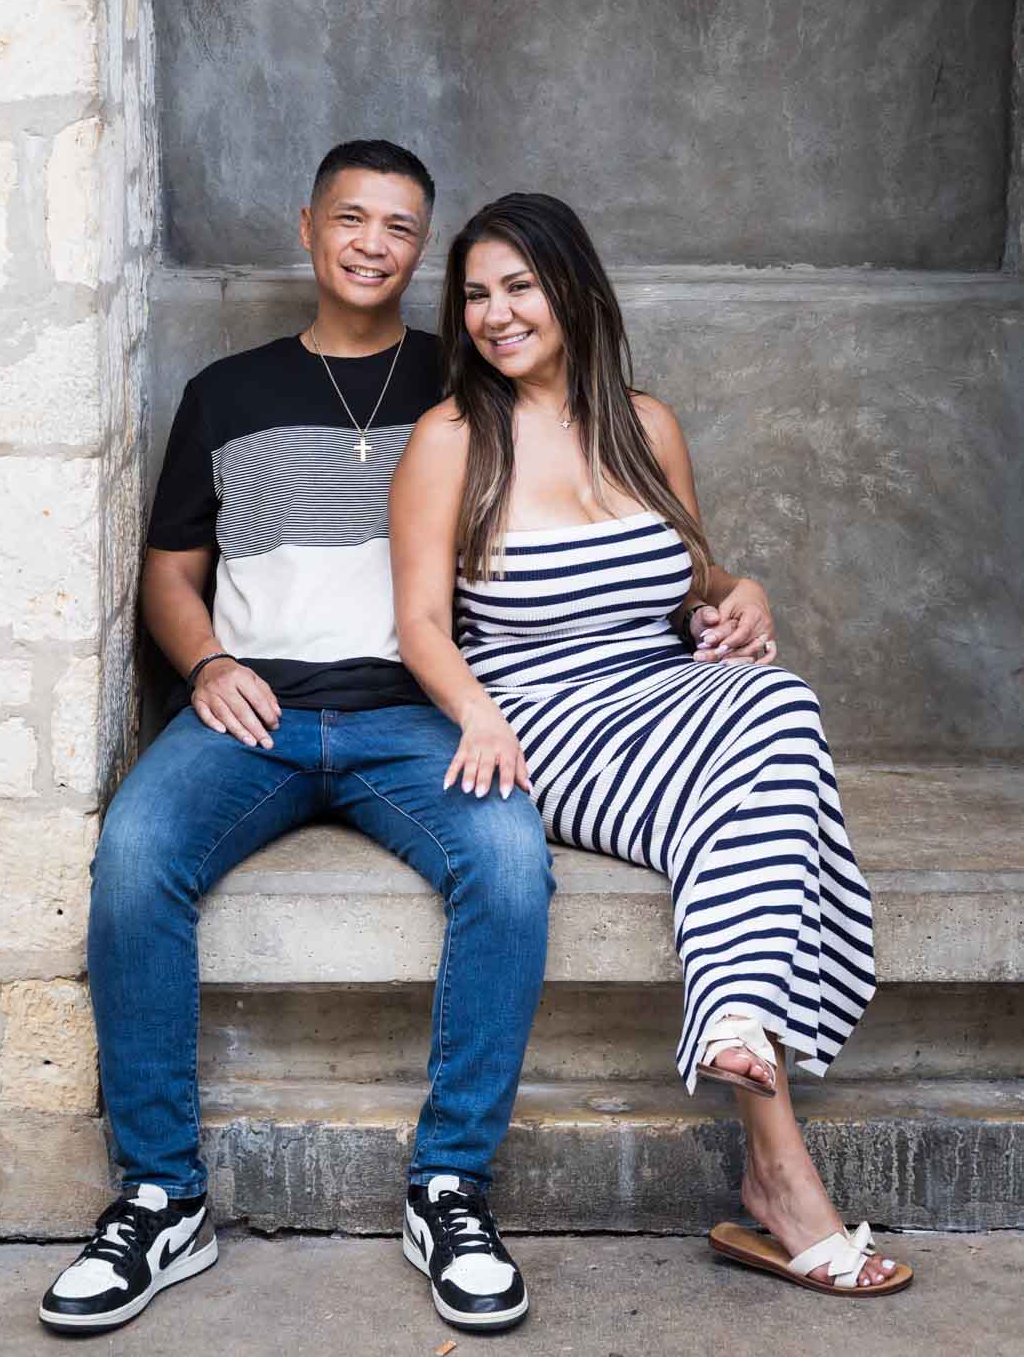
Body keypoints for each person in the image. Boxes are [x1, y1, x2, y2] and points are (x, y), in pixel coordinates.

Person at [40, 143, 554, 1338]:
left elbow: (602, 492)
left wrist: (721, 585)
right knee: (134, 856)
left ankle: (450, 1184)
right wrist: (207, 661)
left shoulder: (468, 378)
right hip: (252, 716)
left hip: (412, 714)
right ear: (311, 226)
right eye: (352, 217)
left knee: (511, 862)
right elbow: (171, 574)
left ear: (425, 249)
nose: (374, 242)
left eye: (401, 226)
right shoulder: (227, 390)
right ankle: (163, 1197)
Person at [390, 192, 913, 1299]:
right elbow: (421, 625)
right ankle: (778, 1168)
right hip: (539, 723)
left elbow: (695, 582)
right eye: (476, 294)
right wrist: (478, 711)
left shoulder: (645, 423)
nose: (494, 313)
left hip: (663, 694)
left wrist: (742, 591)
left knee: (773, 698)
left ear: (572, 289)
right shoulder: (449, 439)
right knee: (768, 756)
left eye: (518, 286)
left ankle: (736, 1026)